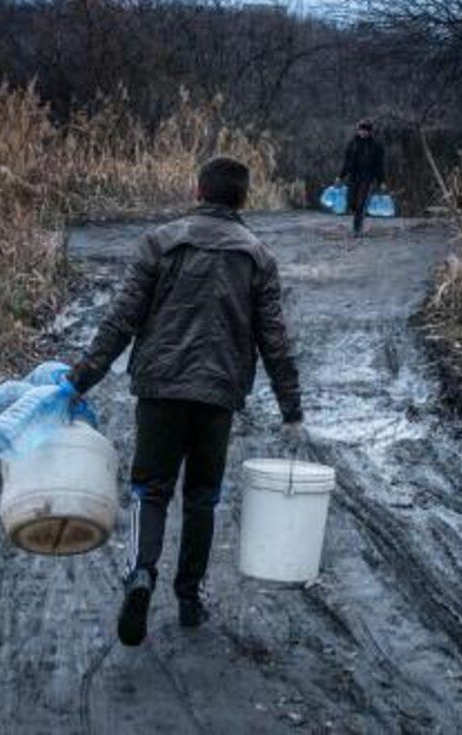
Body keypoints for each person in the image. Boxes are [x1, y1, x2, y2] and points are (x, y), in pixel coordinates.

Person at [68, 156, 303, 647]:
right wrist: (291, 408)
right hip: (217, 395)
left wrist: (80, 380)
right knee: (202, 496)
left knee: (150, 488)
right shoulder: (257, 256)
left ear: (198, 191)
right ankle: (190, 597)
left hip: (160, 387)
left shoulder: (159, 242)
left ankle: (140, 574)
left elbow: (121, 320)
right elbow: (274, 339)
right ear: (243, 199)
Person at [337, 118, 386, 237]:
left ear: (370, 132)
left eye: (365, 130)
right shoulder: (352, 144)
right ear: (358, 130)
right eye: (361, 130)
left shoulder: (376, 146)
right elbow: (346, 162)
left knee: (361, 203)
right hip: (353, 176)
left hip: (367, 178)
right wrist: (340, 176)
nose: (363, 132)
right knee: (351, 202)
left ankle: (357, 228)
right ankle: (357, 219)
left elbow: (380, 165)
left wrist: (382, 181)